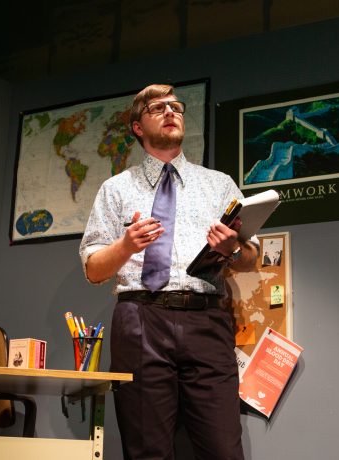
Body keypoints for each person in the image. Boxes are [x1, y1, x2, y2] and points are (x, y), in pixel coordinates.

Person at [80, 83, 257, 460]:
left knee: (224, 449)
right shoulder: (115, 189)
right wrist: (125, 246)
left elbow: (250, 259)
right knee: (147, 451)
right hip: (141, 320)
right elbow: (93, 270)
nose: (171, 112)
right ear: (138, 127)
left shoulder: (218, 183)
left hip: (206, 319)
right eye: (158, 108)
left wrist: (234, 248)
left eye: (175, 106)